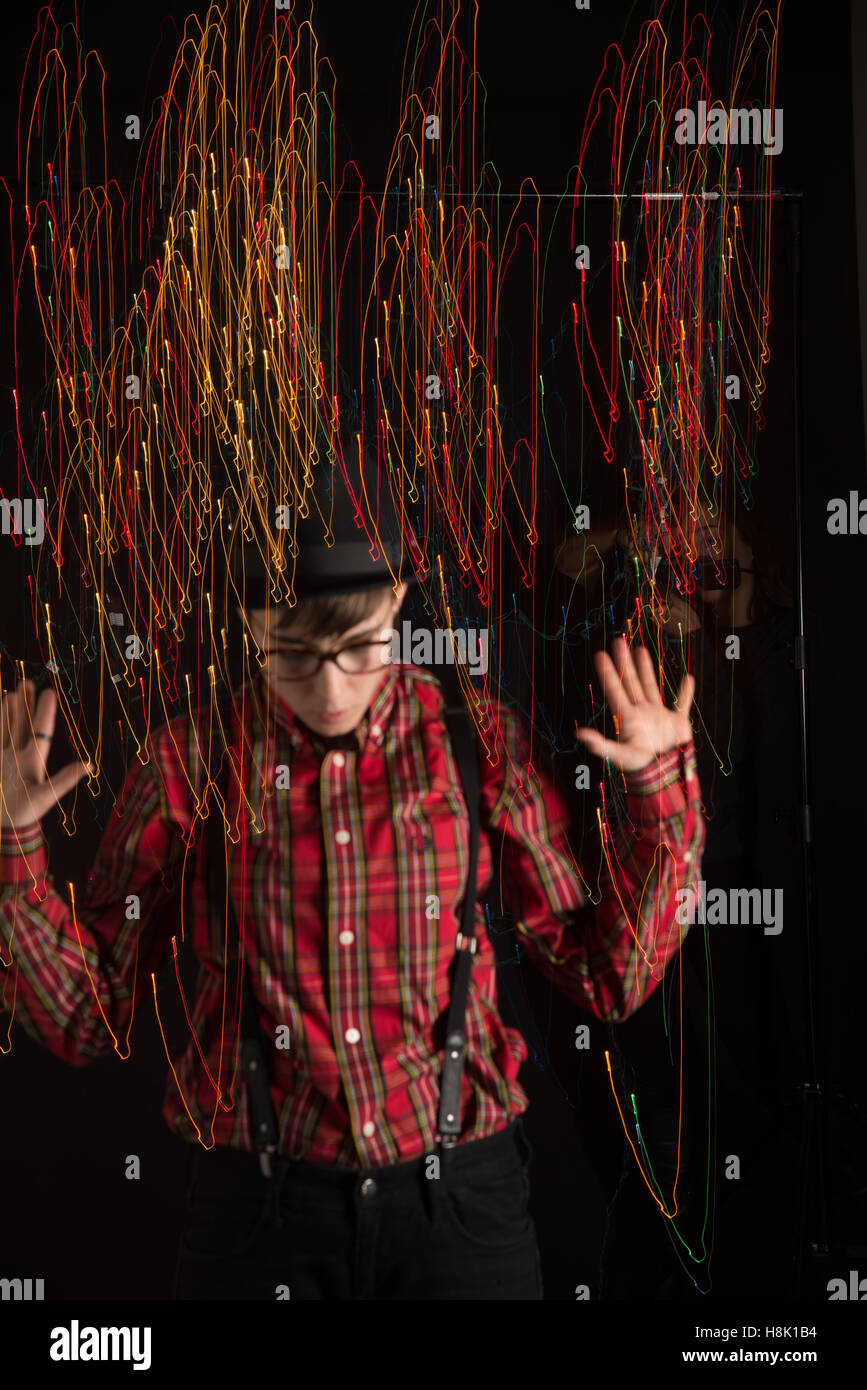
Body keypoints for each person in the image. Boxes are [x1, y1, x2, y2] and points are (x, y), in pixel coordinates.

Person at [0, 453, 705, 1301]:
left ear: (397, 607)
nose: (329, 687)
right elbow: (86, 1015)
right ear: (253, 628)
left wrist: (656, 793)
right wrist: (13, 847)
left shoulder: (475, 744)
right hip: (258, 1222)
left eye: (358, 647)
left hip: (463, 1218)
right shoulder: (190, 760)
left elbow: (605, 976)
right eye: (291, 653)